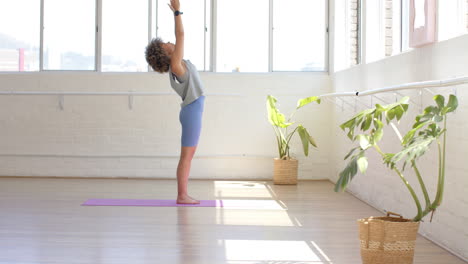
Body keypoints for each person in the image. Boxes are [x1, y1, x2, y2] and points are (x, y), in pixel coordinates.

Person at [145, 0, 205, 204]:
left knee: (188, 156)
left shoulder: (178, 65)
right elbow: (181, 35)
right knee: (186, 157)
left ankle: (182, 194)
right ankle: (182, 195)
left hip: (192, 111)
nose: (171, 42)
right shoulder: (176, 66)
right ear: (167, 53)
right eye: (166, 44)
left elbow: (179, 38)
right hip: (191, 112)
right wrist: (177, 12)